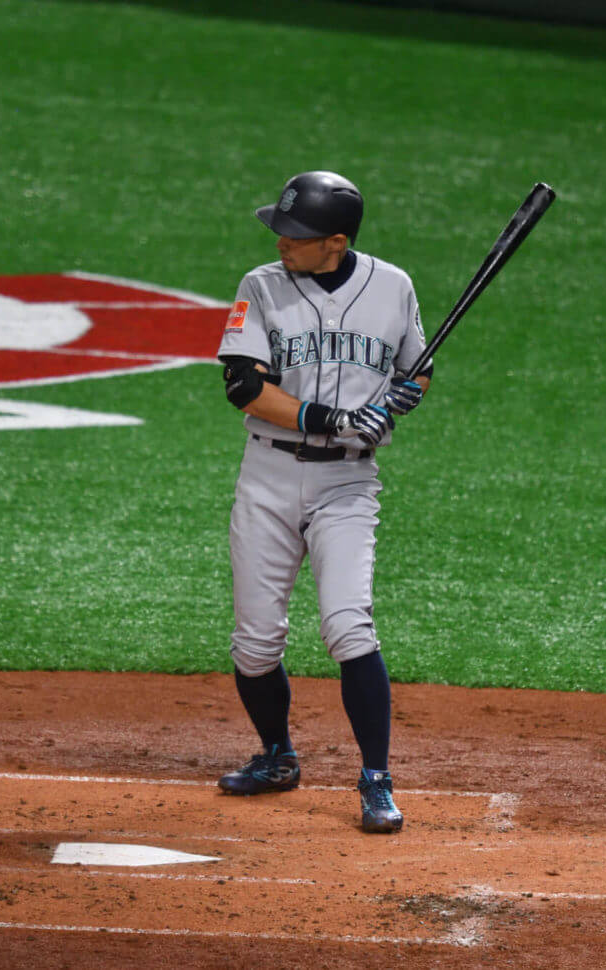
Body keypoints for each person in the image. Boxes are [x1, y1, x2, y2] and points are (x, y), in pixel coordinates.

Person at [214, 171, 430, 833]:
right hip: (268, 478)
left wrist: (406, 394)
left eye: (297, 235)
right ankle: (278, 755)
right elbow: (243, 386)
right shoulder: (260, 286)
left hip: (347, 485)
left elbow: (415, 366)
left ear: (335, 243)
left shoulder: (393, 287)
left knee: (348, 624)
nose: (282, 241)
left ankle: (376, 778)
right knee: (254, 645)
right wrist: (331, 416)